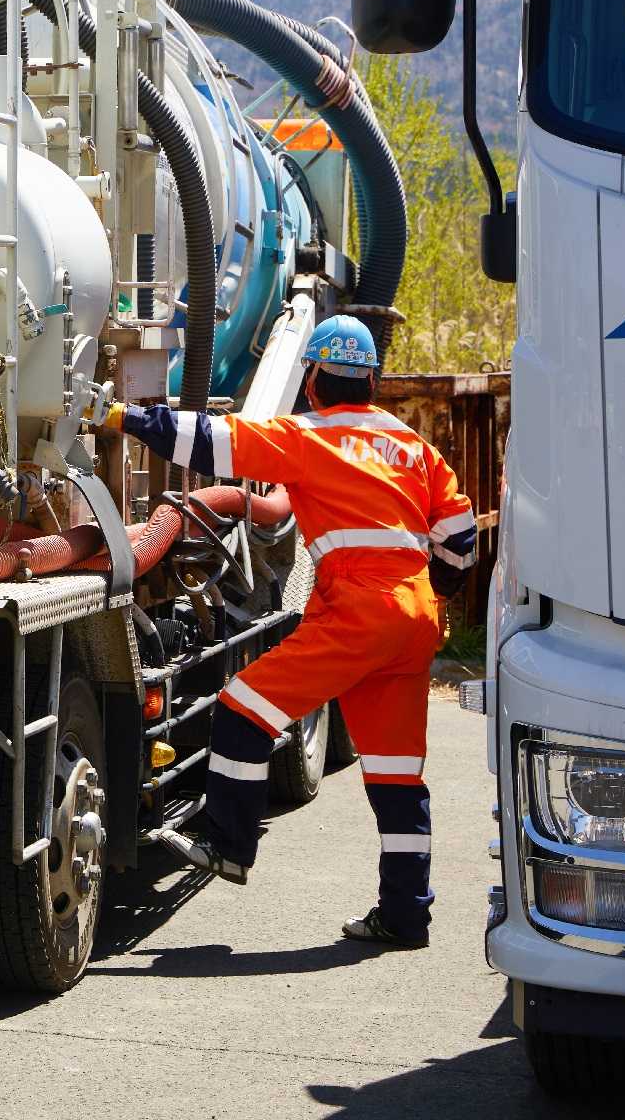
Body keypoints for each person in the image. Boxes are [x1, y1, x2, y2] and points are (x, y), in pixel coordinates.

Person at [101, 315, 477, 948]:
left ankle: (229, 844)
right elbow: (461, 539)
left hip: (355, 611)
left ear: (313, 380)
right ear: (371, 381)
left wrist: (121, 419)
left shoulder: (308, 437)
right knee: (397, 776)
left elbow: (209, 440)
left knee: (244, 709)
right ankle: (407, 915)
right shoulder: (414, 447)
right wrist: (436, 589)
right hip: (413, 619)